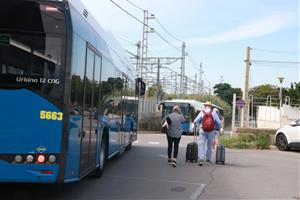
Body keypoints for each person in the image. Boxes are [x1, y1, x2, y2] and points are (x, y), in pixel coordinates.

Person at [193, 101, 222, 166]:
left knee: (201, 145)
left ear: (205, 106)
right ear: (211, 106)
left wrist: (195, 125)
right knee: (209, 145)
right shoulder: (214, 113)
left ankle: (201, 159)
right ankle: (208, 159)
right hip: (211, 131)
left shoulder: (202, 112)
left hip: (203, 130)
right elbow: (219, 122)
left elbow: (195, 121)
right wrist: (220, 128)